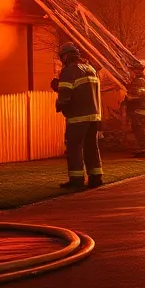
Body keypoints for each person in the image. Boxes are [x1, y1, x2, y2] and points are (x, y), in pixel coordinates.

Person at [54, 42, 103, 189]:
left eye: (62, 57)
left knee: (74, 147)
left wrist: (59, 101)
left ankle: (76, 179)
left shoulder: (70, 70)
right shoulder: (90, 69)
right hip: (94, 116)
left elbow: (66, 94)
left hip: (78, 117)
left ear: (66, 56)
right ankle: (96, 177)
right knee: (91, 147)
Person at [123, 61, 145, 158]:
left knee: (141, 129)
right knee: (138, 129)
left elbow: (139, 93)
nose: (130, 72)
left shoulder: (140, 80)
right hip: (139, 108)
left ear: (136, 70)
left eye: (132, 70)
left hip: (140, 108)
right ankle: (142, 149)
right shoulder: (139, 80)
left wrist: (129, 96)